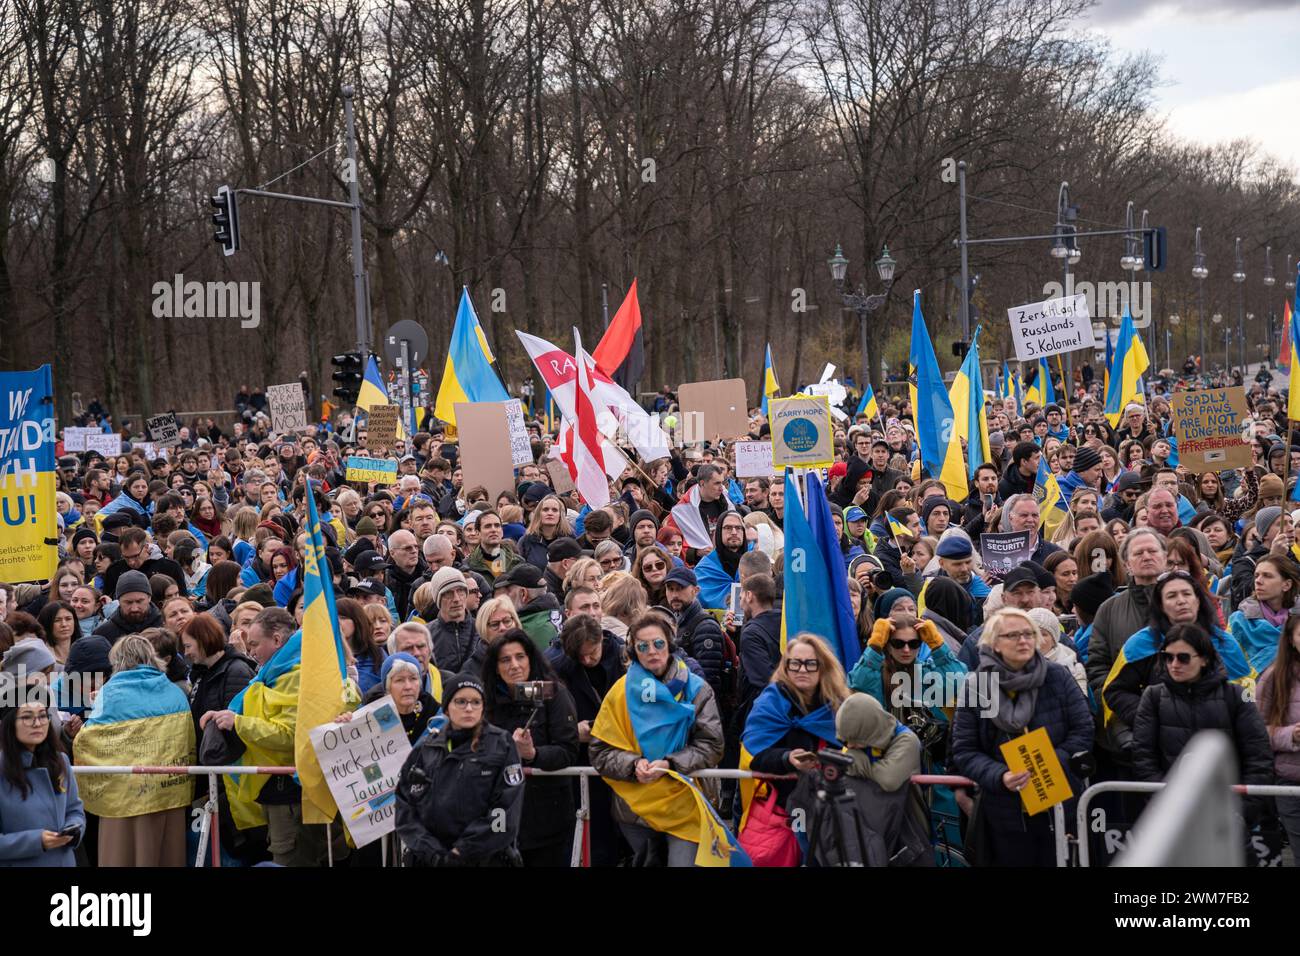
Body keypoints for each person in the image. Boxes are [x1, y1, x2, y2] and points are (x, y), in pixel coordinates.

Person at [950, 608, 1093, 866]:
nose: (1024, 640)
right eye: (1013, 635)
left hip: (1058, 803)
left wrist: (1048, 762)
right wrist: (1000, 775)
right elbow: (964, 751)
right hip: (1005, 814)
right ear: (994, 643)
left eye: (1029, 634)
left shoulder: (1057, 676)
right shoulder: (976, 686)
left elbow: (1083, 731)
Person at [589, 613, 727, 866]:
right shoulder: (620, 692)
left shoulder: (696, 689)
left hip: (685, 802)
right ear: (634, 651)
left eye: (658, 643)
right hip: (635, 806)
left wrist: (671, 764)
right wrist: (632, 765)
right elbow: (600, 751)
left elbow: (712, 745)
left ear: (670, 644)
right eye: (643, 646)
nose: (652, 651)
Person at [73, 634, 195, 866]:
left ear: (117, 660)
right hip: (168, 792)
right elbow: (186, 740)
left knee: (123, 855)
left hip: (123, 796)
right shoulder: (174, 692)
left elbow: (87, 741)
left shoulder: (109, 694)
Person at [1131, 625, 1273, 816]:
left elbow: (1258, 756)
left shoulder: (1236, 695)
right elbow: (1143, 758)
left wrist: (1241, 811)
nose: (1174, 664)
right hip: (1170, 815)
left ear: (1205, 659)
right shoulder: (1152, 697)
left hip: (1228, 815)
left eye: (1183, 657)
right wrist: (1165, 803)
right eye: (1168, 657)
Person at [394, 674, 524, 867]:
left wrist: (463, 851)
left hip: (486, 859)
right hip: (432, 860)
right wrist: (433, 853)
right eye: (461, 702)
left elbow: (504, 813)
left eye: (476, 702)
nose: (469, 708)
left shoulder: (502, 745)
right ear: (447, 708)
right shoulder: (426, 749)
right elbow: (406, 811)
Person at [480, 630, 579, 866]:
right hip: (499, 818)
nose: (514, 665)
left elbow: (567, 751)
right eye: (505, 659)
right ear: (495, 667)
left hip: (547, 819)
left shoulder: (554, 693)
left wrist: (533, 755)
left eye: (520, 657)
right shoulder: (485, 700)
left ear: (530, 658)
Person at [545, 615, 626, 866]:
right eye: (580, 657)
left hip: (623, 755)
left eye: (592, 653)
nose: (587, 660)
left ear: (601, 639)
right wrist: (572, 730)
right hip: (582, 760)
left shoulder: (624, 657)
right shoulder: (558, 666)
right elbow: (548, 716)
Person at [741, 635, 848, 824]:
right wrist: (786, 758)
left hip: (831, 807)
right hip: (782, 808)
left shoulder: (839, 706)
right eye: (795, 663)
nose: (802, 670)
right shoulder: (769, 704)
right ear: (786, 667)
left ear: (822, 667)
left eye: (810, 664)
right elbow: (754, 754)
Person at [0, 688, 85, 867]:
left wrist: (74, 829)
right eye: (27, 717)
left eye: (42, 715)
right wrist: (35, 841)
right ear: (10, 723)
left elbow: (75, 810)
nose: (37, 723)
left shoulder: (60, 761)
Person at [1257, 615, 1300, 860]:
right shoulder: (1274, 677)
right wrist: (1290, 735)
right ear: (1291, 641)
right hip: (1291, 784)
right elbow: (1257, 732)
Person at [1229, 555, 1300, 675]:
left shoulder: (1297, 620)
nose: (1258, 581)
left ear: (1287, 585)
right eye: (1256, 575)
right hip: (1249, 691)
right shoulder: (1239, 621)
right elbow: (1230, 665)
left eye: (1267, 576)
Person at [425, 567, 484, 675]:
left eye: (460, 591)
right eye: (448, 593)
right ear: (438, 599)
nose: (456, 599)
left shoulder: (483, 629)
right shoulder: (426, 635)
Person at [92, 570, 164, 643]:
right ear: (118, 601)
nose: (134, 608)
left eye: (139, 601)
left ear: (149, 598)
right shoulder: (103, 635)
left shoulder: (165, 627)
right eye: (128, 602)